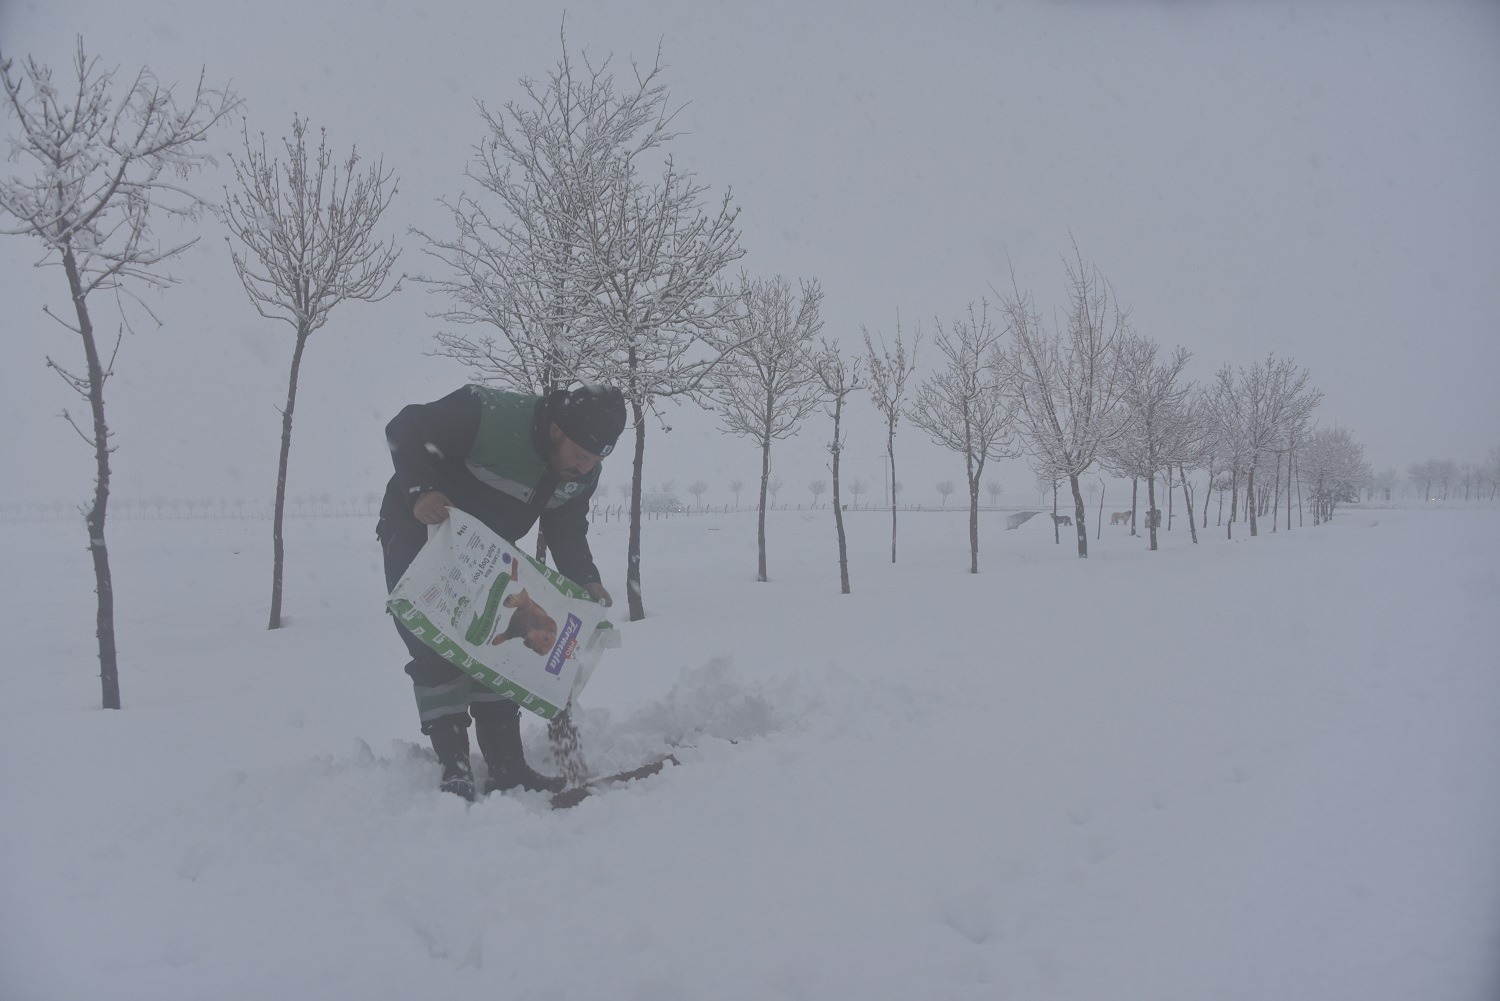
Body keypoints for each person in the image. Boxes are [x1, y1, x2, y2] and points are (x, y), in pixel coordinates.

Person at [377, 382, 626, 801]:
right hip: (421, 528)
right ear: (555, 432)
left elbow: (565, 526)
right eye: (581, 456)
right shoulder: (487, 414)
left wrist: (585, 577)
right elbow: (406, 428)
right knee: (436, 644)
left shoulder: (582, 471)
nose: (586, 469)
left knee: (502, 642)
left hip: (486, 549)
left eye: (596, 460)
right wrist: (421, 491)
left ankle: (507, 766)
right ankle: (454, 766)